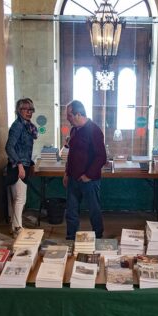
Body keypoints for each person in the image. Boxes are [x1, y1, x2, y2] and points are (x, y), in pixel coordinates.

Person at [63, 100, 107, 240]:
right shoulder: (74, 130)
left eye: (69, 116)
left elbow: (101, 157)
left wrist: (88, 175)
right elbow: (71, 155)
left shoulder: (94, 131)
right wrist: (66, 173)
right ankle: (70, 239)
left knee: (94, 211)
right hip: (73, 180)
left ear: (78, 114)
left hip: (89, 181)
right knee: (71, 212)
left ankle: (98, 238)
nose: (67, 119)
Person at [5, 98, 38, 236]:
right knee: (20, 199)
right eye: (26, 109)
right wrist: (19, 165)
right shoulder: (17, 125)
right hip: (17, 166)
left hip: (23, 164)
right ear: (19, 110)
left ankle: (15, 226)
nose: (29, 112)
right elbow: (9, 147)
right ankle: (17, 229)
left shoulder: (27, 125)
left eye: (31, 109)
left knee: (18, 199)